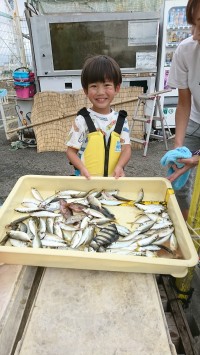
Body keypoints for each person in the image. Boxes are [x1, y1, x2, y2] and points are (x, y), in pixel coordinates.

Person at [66, 55, 131, 179]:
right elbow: (71, 151)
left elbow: (126, 149)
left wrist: (120, 166)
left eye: (107, 85)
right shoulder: (81, 120)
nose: (100, 92)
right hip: (87, 183)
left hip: (113, 182)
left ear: (117, 88)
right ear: (85, 90)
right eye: (94, 86)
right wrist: (82, 168)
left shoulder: (121, 121)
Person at [165, 0, 200, 220]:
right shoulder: (186, 49)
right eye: (193, 24)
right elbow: (184, 102)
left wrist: (197, 158)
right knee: (178, 180)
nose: (195, 34)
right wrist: (179, 149)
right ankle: (185, 231)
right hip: (195, 120)